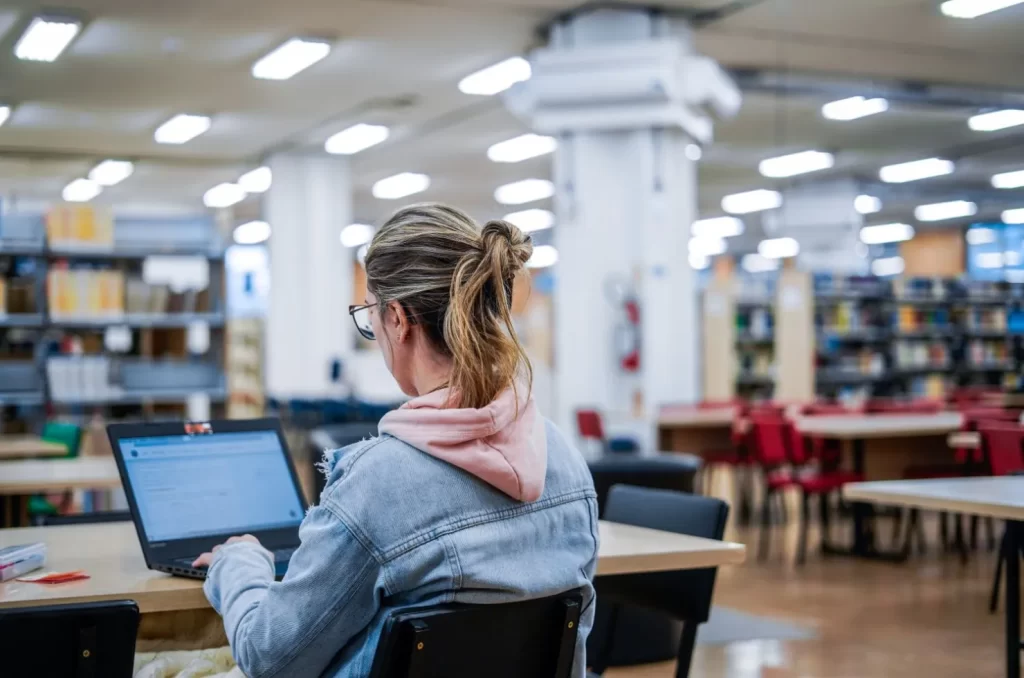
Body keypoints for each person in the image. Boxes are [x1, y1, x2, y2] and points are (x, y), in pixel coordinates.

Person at [196, 204, 599, 677]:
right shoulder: (564, 458)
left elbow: (268, 657)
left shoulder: (378, 484)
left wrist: (238, 563)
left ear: (398, 319)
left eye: (371, 315)